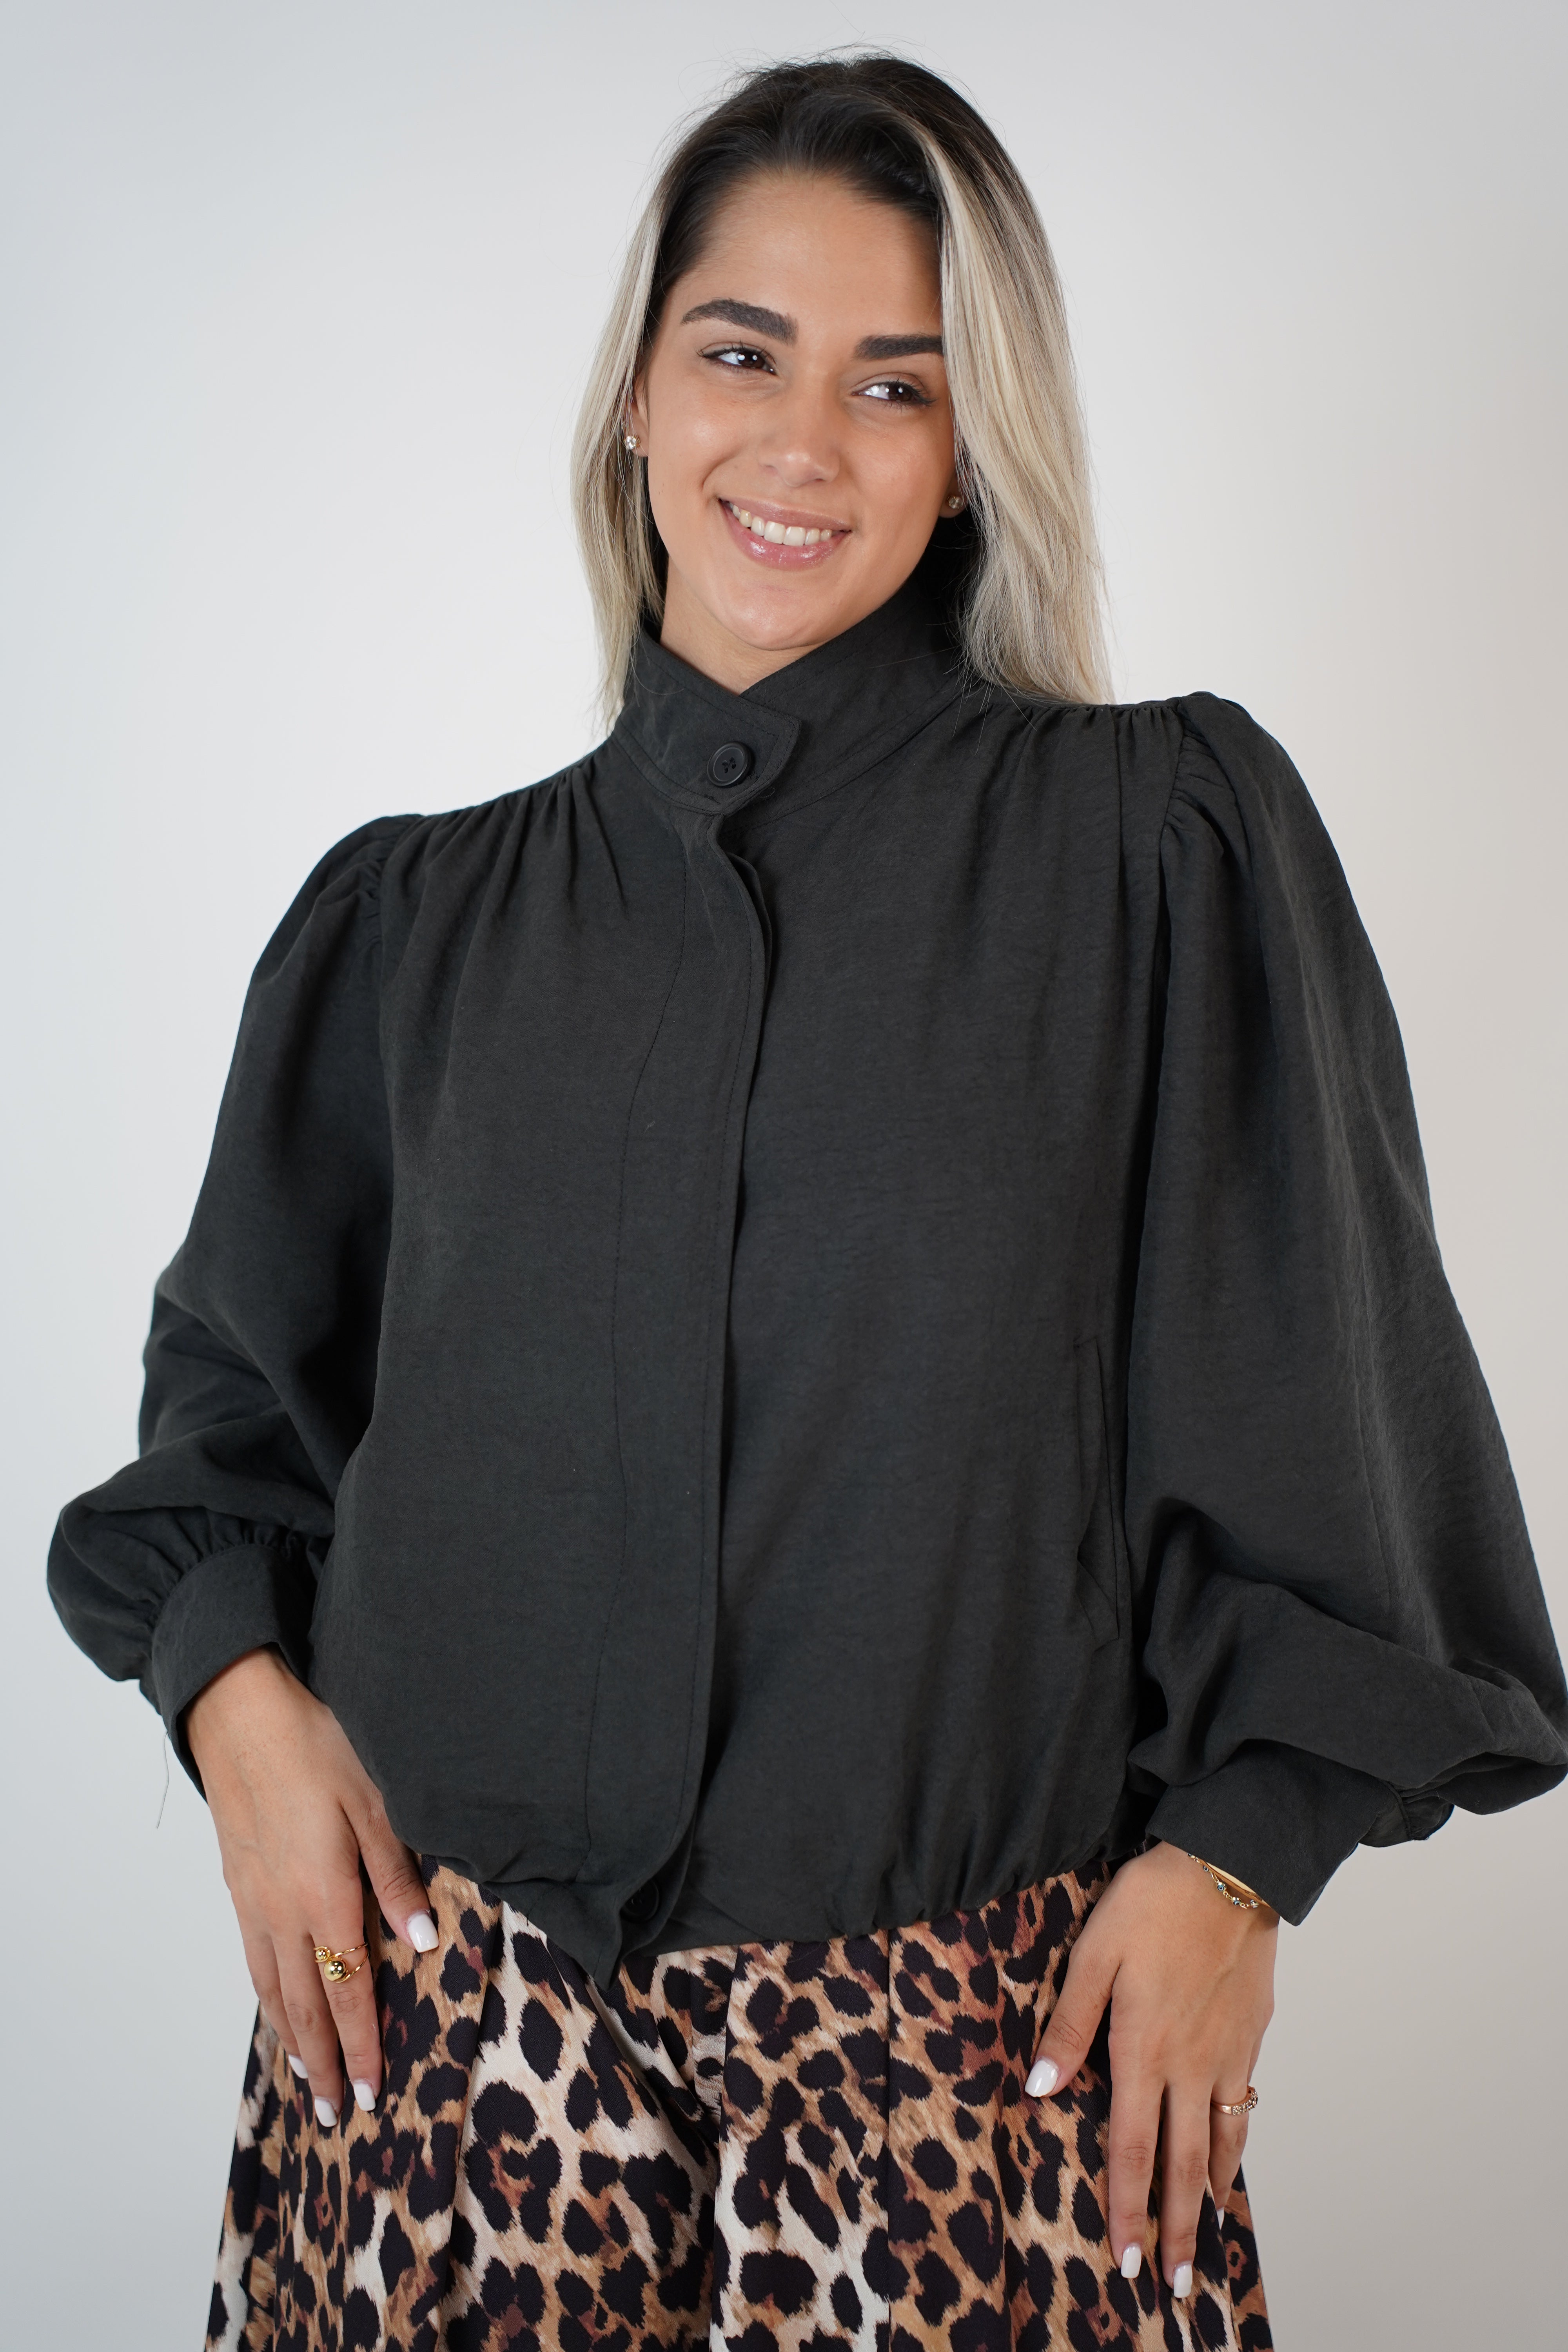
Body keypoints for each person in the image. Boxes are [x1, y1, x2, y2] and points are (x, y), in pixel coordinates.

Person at [49, 51, 1565, 2352]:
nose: (803, 442)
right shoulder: (409, 929)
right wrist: (241, 1726)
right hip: (440, 2089)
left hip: (963, 2091)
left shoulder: (1155, 853)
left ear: (972, 452)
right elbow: (225, 1445)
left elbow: (1325, 1451)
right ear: (636, 398)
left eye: (895, 383)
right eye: (740, 352)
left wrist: (1236, 1865)